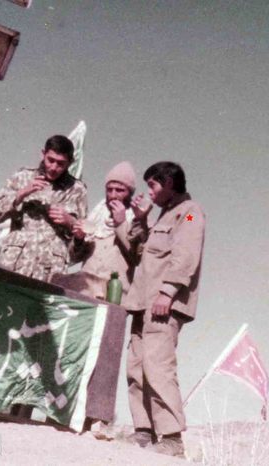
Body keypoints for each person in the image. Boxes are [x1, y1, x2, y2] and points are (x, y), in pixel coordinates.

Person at [122, 161, 205, 457]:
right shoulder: (162, 217)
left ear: (169, 183)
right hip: (142, 303)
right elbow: (141, 253)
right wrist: (141, 221)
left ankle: (171, 438)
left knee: (158, 367)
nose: (150, 192)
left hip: (162, 304)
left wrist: (168, 291)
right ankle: (143, 431)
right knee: (137, 367)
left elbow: (187, 254)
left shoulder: (190, 211)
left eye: (153, 185)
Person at [0, 135, 87, 282]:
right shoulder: (22, 177)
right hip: (14, 265)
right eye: (50, 160)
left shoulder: (77, 190)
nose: (53, 167)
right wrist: (22, 193)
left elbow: (79, 246)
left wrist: (70, 222)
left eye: (61, 163)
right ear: (43, 154)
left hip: (49, 273)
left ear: (70, 162)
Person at [52, 161, 137, 300]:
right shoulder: (96, 217)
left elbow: (138, 256)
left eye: (120, 190)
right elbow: (74, 258)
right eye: (109, 189)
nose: (113, 195)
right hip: (86, 290)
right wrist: (79, 239)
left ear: (130, 193)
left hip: (114, 294)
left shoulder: (138, 220)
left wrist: (121, 224)